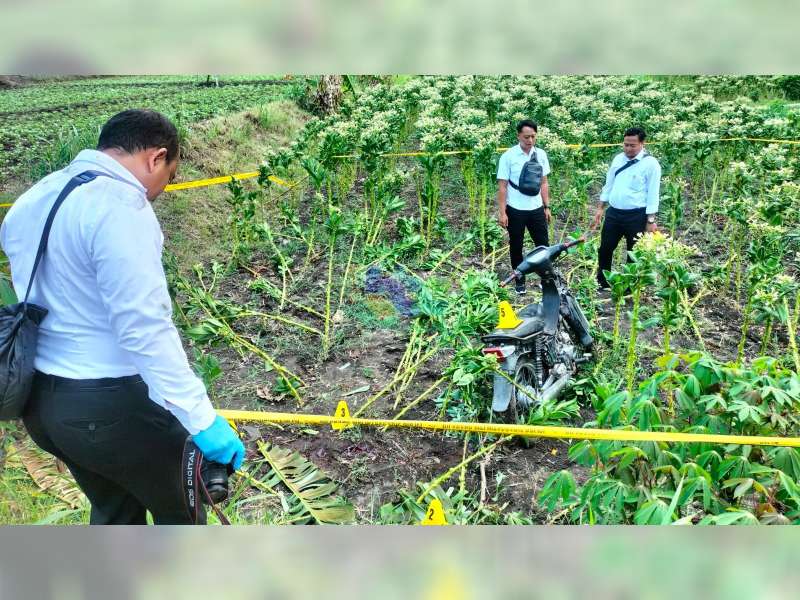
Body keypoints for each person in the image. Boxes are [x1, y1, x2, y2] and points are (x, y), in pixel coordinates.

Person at [0, 109, 245, 524]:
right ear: (156, 157)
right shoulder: (119, 206)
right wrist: (202, 420)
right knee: (183, 520)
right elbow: (144, 329)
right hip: (108, 407)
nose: (161, 190)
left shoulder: (33, 198)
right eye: (169, 176)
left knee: (114, 514)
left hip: (43, 405)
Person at [591, 127, 661, 291]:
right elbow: (608, 184)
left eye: (633, 145)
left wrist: (650, 221)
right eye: (626, 145)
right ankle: (602, 281)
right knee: (605, 248)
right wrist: (601, 208)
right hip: (614, 213)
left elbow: (653, 193)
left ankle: (630, 286)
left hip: (636, 216)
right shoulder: (618, 159)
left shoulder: (651, 164)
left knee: (633, 252)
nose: (628, 149)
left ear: (642, 144)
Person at [496, 119, 552, 295]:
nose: (530, 140)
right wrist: (502, 212)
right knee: (516, 245)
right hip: (515, 209)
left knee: (543, 245)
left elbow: (544, 182)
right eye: (526, 136)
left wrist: (547, 206)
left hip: (536, 208)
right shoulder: (508, 156)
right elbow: (503, 186)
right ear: (518, 135)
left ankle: (546, 279)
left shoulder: (541, 154)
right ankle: (519, 280)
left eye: (533, 136)